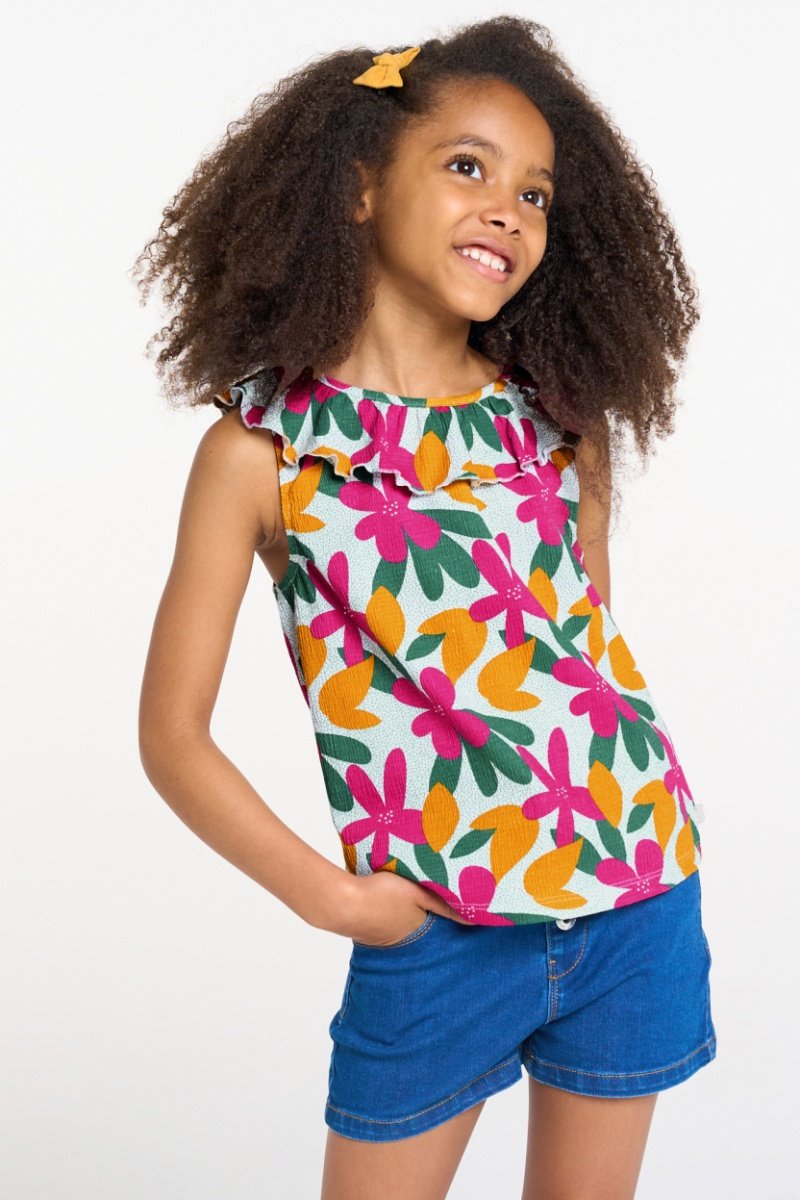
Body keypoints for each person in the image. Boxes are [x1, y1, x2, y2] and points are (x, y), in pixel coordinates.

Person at [133, 14, 716, 1199]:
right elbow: (171, 736)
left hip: (634, 889)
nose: (507, 211)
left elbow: (578, 663)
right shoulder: (262, 452)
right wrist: (336, 899)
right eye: (466, 167)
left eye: (534, 194)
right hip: (436, 934)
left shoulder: (559, 424)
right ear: (357, 188)